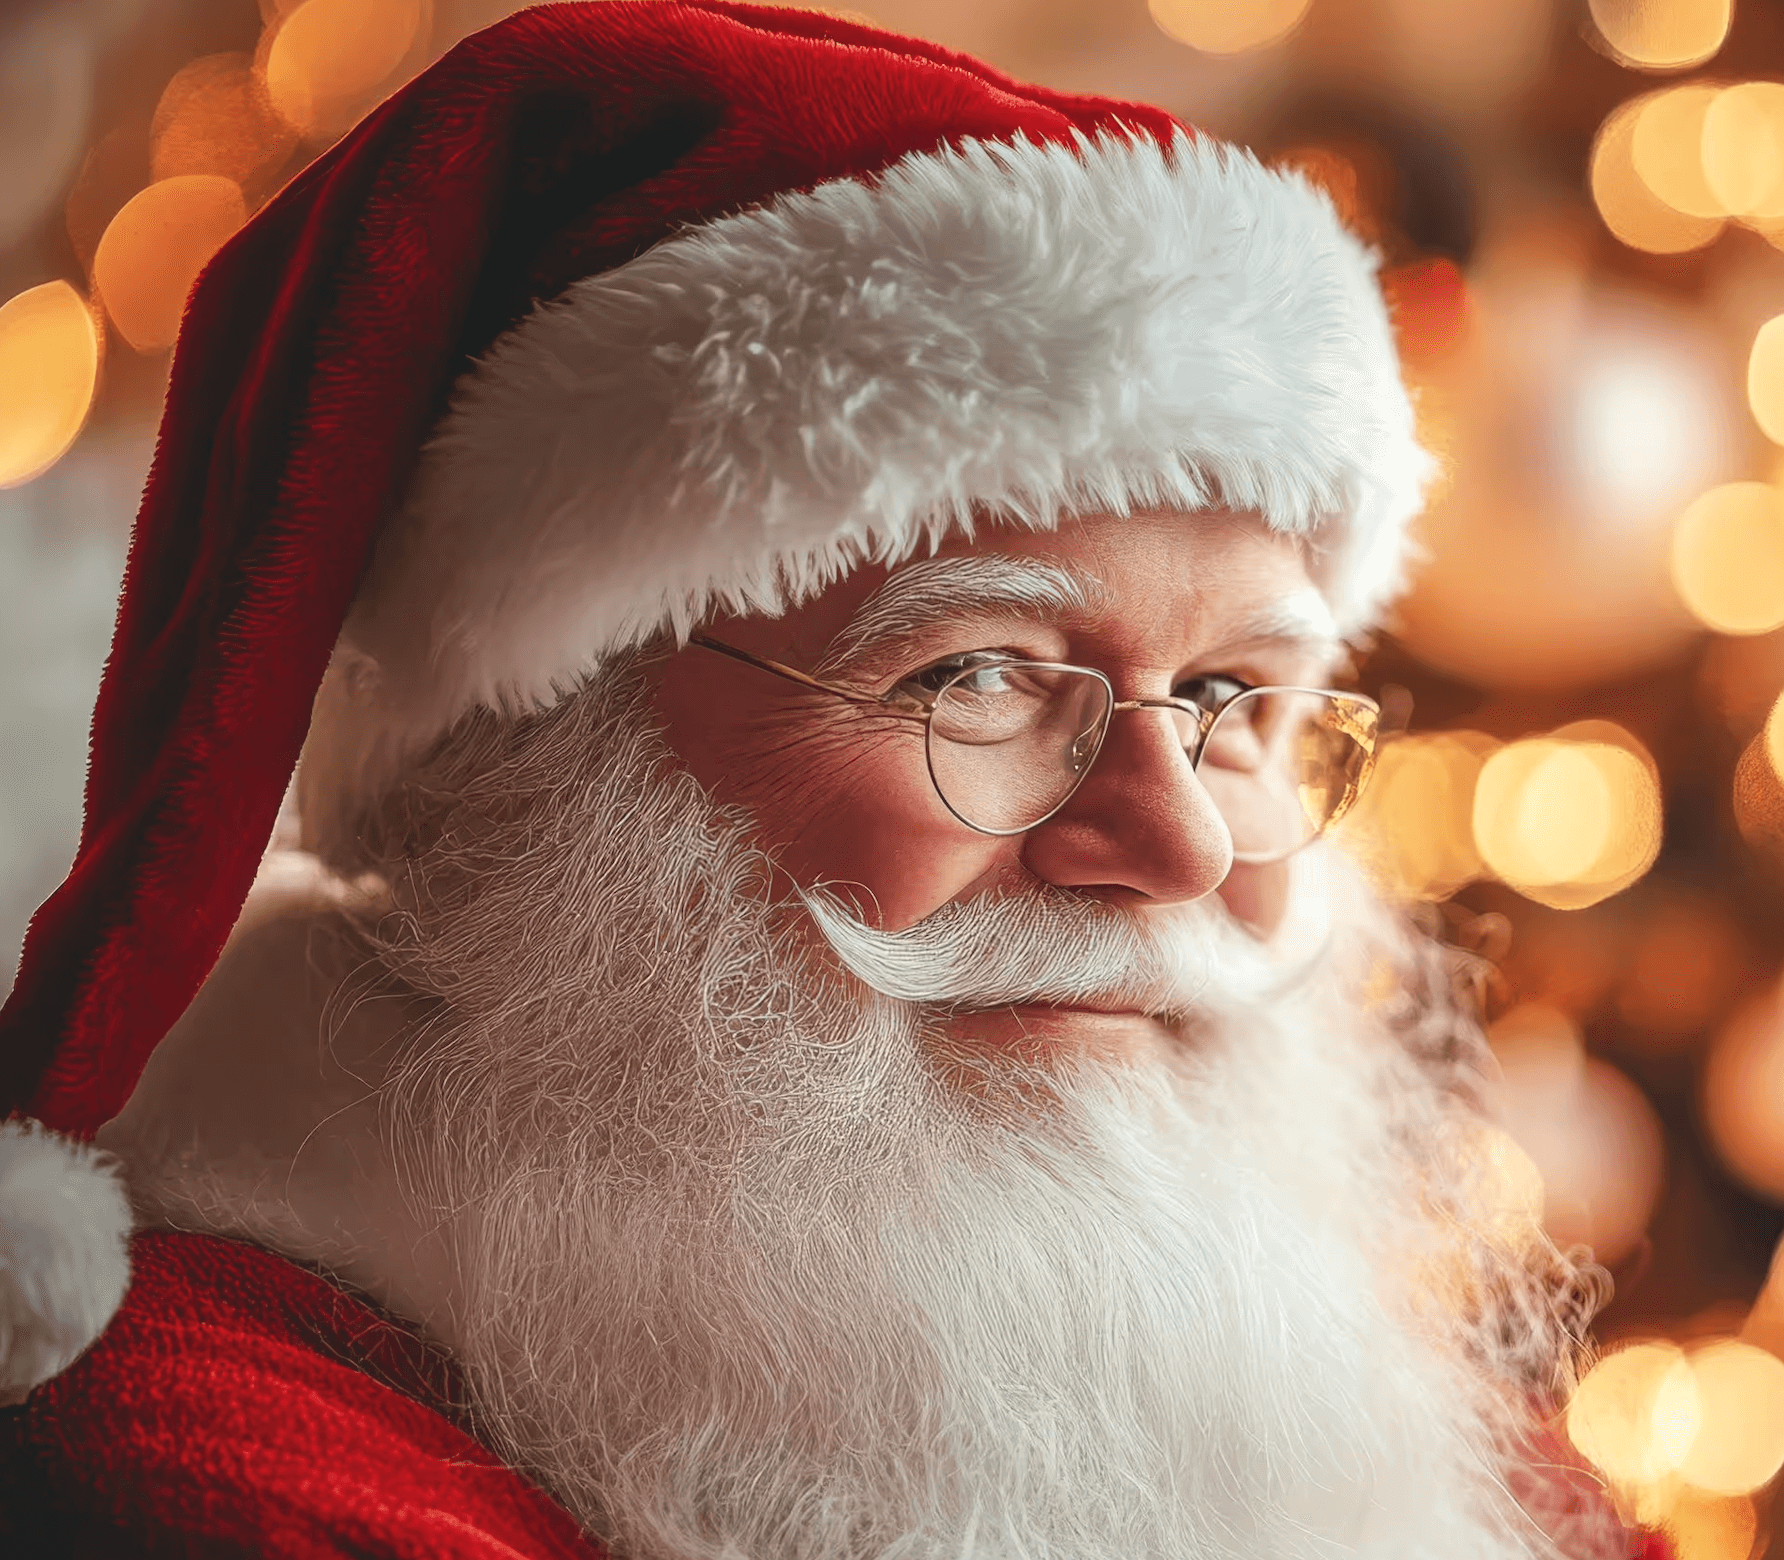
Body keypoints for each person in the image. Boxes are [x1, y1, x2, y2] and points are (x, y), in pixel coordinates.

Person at [0, 4, 1635, 1555]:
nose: (1181, 837)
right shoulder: (224, 1461)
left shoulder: (1400, 1446)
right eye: (976, 677)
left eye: (1228, 699)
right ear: (527, 769)